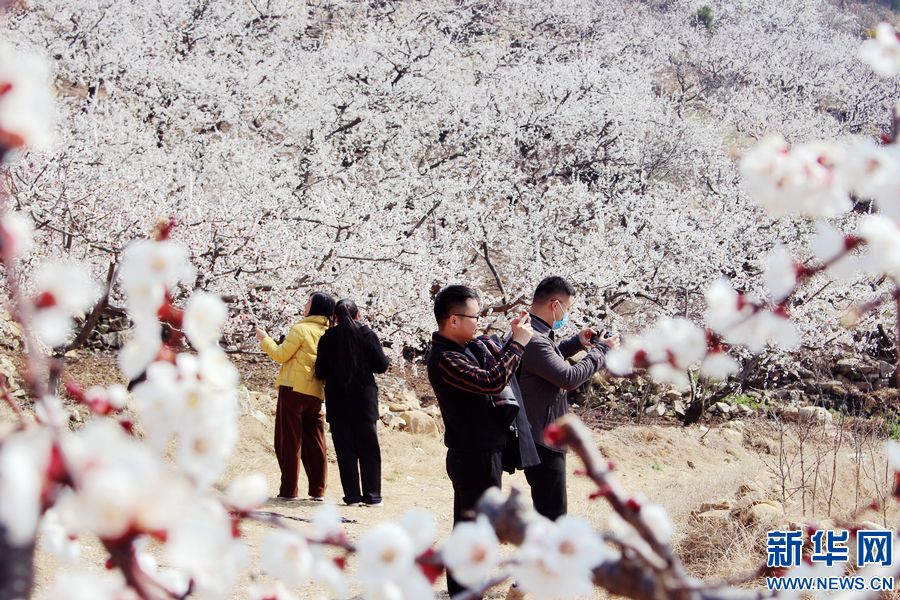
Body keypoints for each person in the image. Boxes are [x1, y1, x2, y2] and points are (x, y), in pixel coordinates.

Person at [426, 285, 533, 598]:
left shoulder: (466, 348)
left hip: (482, 451)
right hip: (472, 455)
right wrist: (518, 345)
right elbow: (491, 381)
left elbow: (498, 366)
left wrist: (514, 340)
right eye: (474, 317)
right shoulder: (445, 358)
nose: (479, 322)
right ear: (453, 320)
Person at [519, 276, 620, 521]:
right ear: (555, 305)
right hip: (543, 439)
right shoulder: (534, 339)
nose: (567, 314)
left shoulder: (531, 332)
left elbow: (545, 363)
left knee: (549, 511)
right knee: (553, 514)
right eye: (568, 308)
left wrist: (576, 343)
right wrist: (601, 350)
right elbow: (568, 377)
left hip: (541, 433)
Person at [256, 291, 335, 501]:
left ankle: (289, 490)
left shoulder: (300, 329)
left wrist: (265, 339)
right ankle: (318, 491)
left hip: (292, 390)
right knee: (316, 442)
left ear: (315, 307)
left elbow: (280, 355)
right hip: (316, 392)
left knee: (289, 442)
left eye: (308, 302)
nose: (305, 305)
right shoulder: (330, 333)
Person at [314, 298, 389, 507]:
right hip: (364, 400)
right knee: (369, 450)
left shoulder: (328, 338)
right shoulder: (367, 335)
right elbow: (381, 366)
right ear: (358, 314)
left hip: (338, 400)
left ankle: (353, 497)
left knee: (345, 450)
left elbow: (320, 371)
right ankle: (373, 496)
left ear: (334, 317)